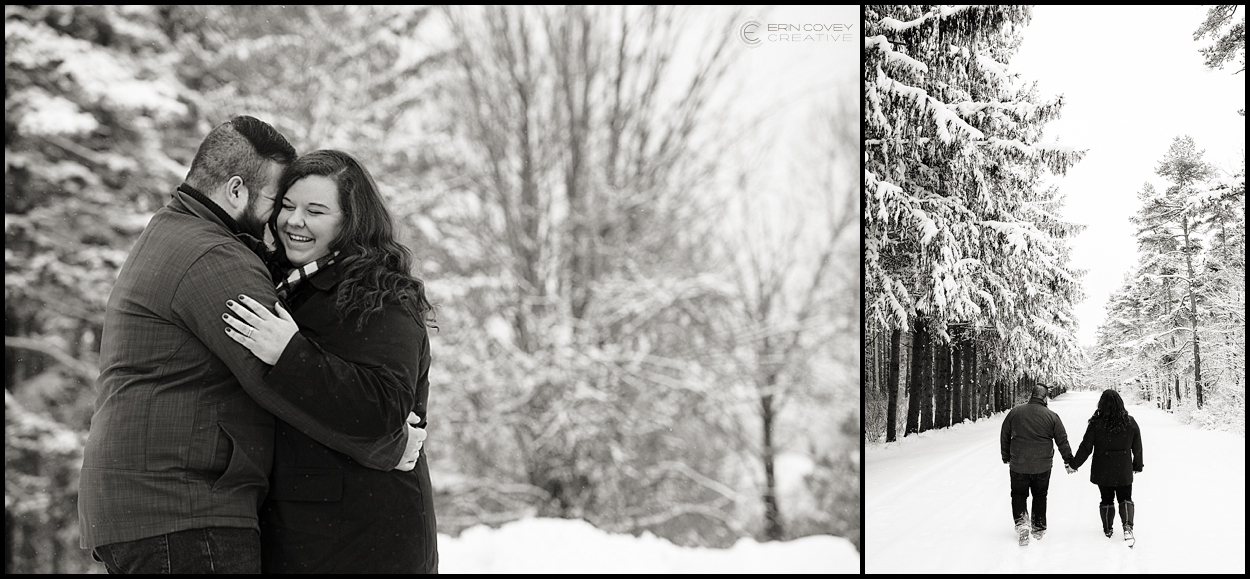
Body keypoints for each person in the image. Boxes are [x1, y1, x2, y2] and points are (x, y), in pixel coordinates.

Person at [79, 117, 425, 574]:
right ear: (237, 190)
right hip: (183, 508)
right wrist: (388, 443)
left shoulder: (174, 236)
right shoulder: (213, 257)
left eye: (315, 210)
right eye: (279, 202)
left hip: (167, 508)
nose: (284, 220)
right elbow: (269, 378)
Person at [221, 149, 439, 573]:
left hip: (367, 539)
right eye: (287, 206)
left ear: (350, 221)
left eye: (315, 210)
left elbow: (384, 407)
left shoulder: (380, 293)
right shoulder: (290, 282)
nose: (294, 221)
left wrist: (291, 354)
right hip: (310, 535)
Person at [1000, 383, 1075, 545]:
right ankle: (1039, 527)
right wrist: (1068, 460)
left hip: (1018, 464)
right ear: (1045, 397)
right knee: (1040, 495)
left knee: (1019, 494)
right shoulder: (1051, 416)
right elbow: (1062, 440)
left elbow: (1004, 435)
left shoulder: (1015, 413)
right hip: (1043, 465)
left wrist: (1006, 455)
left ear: (1031, 395)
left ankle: (1021, 524)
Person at [1068, 389, 1144, 546]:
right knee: (1125, 498)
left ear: (1101, 404)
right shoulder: (1130, 422)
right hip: (1123, 468)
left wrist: (1074, 464)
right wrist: (1137, 464)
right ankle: (1128, 527)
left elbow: (1086, 447)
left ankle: (1108, 528)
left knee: (1106, 498)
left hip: (1103, 469)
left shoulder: (1096, 424)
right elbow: (1137, 447)